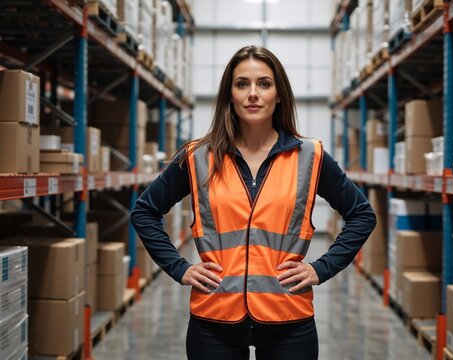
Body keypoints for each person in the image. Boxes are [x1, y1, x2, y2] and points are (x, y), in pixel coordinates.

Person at [130, 45, 376, 360]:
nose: (253, 94)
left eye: (264, 83)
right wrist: (179, 268)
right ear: (229, 95)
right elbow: (144, 211)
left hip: (288, 317)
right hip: (214, 317)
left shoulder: (310, 157)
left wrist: (321, 269)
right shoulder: (198, 156)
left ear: (279, 95)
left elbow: (362, 215)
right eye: (242, 84)